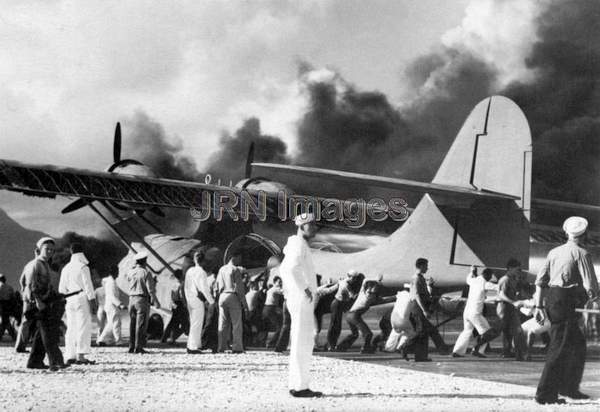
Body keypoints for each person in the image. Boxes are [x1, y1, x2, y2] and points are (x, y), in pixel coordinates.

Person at [534, 216, 599, 405]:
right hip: (566, 301)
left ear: (566, 233)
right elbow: (591, 286)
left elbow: (540, 281)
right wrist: (595, 299)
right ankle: (545, 394)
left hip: (553, 299)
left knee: (577, 344)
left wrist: (538, 306)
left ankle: (569, 387)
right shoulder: (582, 253)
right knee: (559, 347)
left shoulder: (554, 252)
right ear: (585, 234)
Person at [280, 212, 322, 398]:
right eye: (311, 225)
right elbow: (290, 268)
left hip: (298, 298)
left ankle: (296, 384)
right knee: (303, 341)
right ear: (302, 226)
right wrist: (305, 289)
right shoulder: (298, 243)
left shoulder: (297, 243)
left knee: (300, 340)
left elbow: (284, 269)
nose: (314, 228)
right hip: (301, 298)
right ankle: (300, 387)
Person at [23, 237, 68, 371]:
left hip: (44, 301)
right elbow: (30, 285)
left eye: (52, 250)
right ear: (39, 249)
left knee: (40, 334)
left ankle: (34, 362)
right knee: (48, 334)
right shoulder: (36, 264)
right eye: (47, 249)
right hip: (38, 303)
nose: (50, 252)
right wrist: (38, 301)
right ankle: (55, 361)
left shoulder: (44, 264)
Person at [59, 243, 97, 365]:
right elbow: (88, 286)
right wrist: (93, 302)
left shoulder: (66, 268)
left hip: (69, 299)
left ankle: (70, 355)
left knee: (71, 327)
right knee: (83, 326)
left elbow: (61, 289)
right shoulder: (83, 267)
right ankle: (81, 356)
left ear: (71, 252)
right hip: (81, 298)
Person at [408, 258, 450, 361]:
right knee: (422, 332)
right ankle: (405, 347)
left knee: (426, 332)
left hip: (418, 306)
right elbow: (417, 295)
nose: (427, 268)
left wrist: (429, 286)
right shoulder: (417, 278)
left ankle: (421, 356)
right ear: (421, 266)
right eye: (426, 265)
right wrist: (424, 310)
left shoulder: (420, 278)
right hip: (418, 307)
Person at [337, 276, 393, 353]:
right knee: (368, 334)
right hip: (354, 316)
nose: (373, 291)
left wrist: (395, 297)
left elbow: (384, 299)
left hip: (349, 315)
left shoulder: (364, 293)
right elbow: (383, 299)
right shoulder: (368, 296)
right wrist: (376, 279)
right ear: (367, 289)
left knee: (354, 334)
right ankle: (365, 349)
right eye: (372, 289)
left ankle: (341, 347)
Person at [452, 267, 499, 358]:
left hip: (467, 311)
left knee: (467, 331)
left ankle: (457, 351)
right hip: (475, 312)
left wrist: (472, 272)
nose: (490, 278)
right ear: (487, 275)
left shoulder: (473, 281)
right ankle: (477, 350)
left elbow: (468, 279)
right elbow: (497, 287)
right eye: (490, 276)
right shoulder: (485, 283)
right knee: (488, 332)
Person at [127, 250, 160, 354]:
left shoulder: (130, 272)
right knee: (141, 324)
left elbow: (128, 281)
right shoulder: (146, 272)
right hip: (141, 299)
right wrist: (156, 301)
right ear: (145, 261)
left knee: (132, 324)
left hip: (131, 299)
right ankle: (139, 347)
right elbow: (150, 289)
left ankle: (131, 346)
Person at [216, 253, 248, 353]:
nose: (240, 260)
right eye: (239, 258)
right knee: (236, 324)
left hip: (222, 296)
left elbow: (217, 285)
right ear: (234, 257)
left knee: (222, 323)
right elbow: (239, 288)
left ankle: (221, 347)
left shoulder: (221, 269)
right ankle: (237, 347)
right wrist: (244, 304)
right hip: (232, 295)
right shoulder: (235, 269)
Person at [496, 258, 527, 360]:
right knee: (503, 330)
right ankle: (506, 351)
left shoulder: (514, 279)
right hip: (504, 307)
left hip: (511, 308)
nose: (518, 271)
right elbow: (501, 295)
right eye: (517, 269)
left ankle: (516, 353)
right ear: (510, 268)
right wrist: (513, 302)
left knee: (516, 329)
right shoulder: (505, 279)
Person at [185, 249, 215, 354]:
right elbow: (204, 288)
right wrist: (211, 301)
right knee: (197, 323)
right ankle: (193, 346)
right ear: (203, 261)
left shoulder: (189, 271)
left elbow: (186, 286)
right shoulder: (201, 272)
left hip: (190, 299)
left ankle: (192, 344)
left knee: (193, 322)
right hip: (198, 300)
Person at [326, 270, 362, 351]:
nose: (355, 280)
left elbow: (333, 288)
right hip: (337, 304)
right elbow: (352, 296)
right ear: (350, 277)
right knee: (335, 325)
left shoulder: (344, 281)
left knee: (336, 325)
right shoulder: (346, 284)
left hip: (338, 304)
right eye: (354, 278)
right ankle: (330, 345)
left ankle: (331, 344)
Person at [97, 266, 125, 346]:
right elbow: (112, 296)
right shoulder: (111, 282)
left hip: (110, 305)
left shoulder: (110, 281)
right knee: (115, 323)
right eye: (117, 271)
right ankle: (118, 341)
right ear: (114, 272)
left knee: (111, 323)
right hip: (112, 306)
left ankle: (103, 339)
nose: (118, 273)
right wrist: (120, 304)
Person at [162, 269, 189, 345]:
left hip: (174, 304)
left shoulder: (174, 284)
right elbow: (182, 295)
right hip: (180, 305)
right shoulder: (181, 284)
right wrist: (185, 304)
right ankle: (172, 338)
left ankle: (165, 337)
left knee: (173, 322)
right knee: (184, 323)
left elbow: (171, 295)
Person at [263, 276, 285, 348]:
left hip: (267, 308)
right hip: (270, 308)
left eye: (281, 282)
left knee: (275, 326)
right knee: (280, 326)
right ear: (274, 282)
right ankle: (271, 343)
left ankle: (269, 342)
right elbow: (283, 292)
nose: (280, 283)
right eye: (279, 282)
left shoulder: (271, 289)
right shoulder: (275, 289)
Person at [0, 274, 17, 341]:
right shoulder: (9, 287)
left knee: (5, 321)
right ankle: (13, 335)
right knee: (5, 321)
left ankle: (12, 335)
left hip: (0, 304)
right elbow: (13, 297)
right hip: (7, 305)